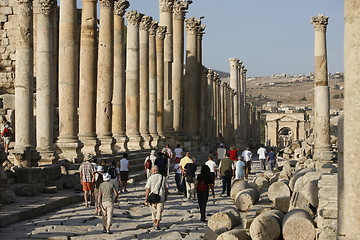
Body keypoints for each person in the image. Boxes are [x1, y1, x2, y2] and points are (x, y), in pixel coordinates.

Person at [144, 166, 169, 230]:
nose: (151, 172)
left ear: (154, 170)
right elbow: (166, 188)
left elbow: (147, 189)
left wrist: (146, 198)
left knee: (153, 211)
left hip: (152, 197)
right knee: (159, 211)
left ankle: (155, 222)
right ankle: (157, 223)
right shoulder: (163, 178)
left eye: (151, 170)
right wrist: (166, 196)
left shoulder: (150, 178)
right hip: (161, 196)